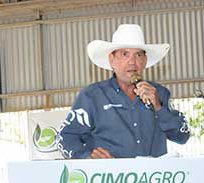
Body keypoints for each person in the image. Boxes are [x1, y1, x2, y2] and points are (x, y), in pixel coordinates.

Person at [58, 23, 190, 159]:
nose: (132, 62)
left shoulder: (160, 93)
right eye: (125, 54)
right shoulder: (92, 96)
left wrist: (158, 107)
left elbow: (182, 136)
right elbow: (65, 137)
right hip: (109, 173)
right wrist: (87, 158)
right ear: (112, 60)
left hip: (154, 173)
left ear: (145, 60)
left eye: (138, 55)